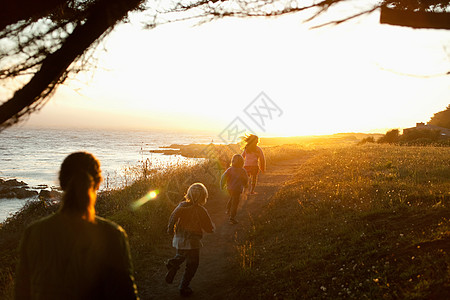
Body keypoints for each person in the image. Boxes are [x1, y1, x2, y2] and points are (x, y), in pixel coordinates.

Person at [14, 152, 139, 300]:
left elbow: (22, 292)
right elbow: (125, 294)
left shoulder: (33, 233)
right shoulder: (112, 234)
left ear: (61, 183)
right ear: (98, 183)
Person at [165, 183, 214, 297]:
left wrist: (170, 229)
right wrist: (210, 229)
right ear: (204, 197)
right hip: (193, 240)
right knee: (192, 264)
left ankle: (174, 264)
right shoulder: (201, 210)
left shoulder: (182, 206)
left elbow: (173, 216)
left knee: (181, 254)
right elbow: (207, 225)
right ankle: (183, 286)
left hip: (180, 238)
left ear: (188, 194)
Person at [220, 154, 248, 224]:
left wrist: (222, 185)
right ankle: (232, 218)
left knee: (232, 198)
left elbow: (223, 177)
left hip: (230, 188)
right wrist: (246, 185)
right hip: (237, 189)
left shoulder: (230, 169)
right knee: (235, 203)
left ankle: (228, 209)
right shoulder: (242, 170)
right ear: (242, 162)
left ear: (232, 161)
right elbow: (245, 179)